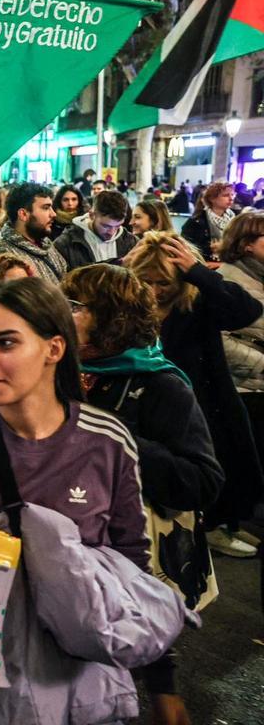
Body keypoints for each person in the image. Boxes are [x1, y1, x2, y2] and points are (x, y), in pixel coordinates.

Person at [0, 277, 152, 724]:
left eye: (5, 343)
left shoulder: (106, 441)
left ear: (54, 348)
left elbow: (133, 560)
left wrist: (159, 679)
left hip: (71, 660)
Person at [61, 264, 224, 725]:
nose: (62, 314)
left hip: (127, 567)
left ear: (110, 317)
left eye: (76, 306)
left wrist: (119, 440)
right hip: (69, 564)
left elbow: (203, 480)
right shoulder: (60, 368)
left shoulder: (160, 384)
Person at [126, 232, 264, 557]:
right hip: (152, 407)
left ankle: (216, 527)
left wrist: (199, 272)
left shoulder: (197, 300)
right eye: (147, 281)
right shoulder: (128, 303)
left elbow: (246, 311)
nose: (156, 292)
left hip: (205, 400)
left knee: (216, 469)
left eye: (164, 283)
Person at [217, 213, 264, 481]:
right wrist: (261, 365)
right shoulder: (228, 281)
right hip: (244, 388)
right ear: (247, 244)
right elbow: (218, 340)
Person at [0, 182, 67, 283]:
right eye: (45, 208)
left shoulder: (47, 246)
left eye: (51, 207)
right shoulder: (0, 255)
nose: (53, 214)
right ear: (23, 214)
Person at [52, 189, 136, 270]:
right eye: (106, 226)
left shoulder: (131, 242)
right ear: (92, 215)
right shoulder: (65, 244)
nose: (112, 232)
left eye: (118, 226)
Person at [182, 181, 236, 261]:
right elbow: (187, 247)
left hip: (229, 262)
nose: (231, 198)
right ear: (212, 199)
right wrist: (209, 248)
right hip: (205, 263)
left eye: (232, 195)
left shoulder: (235, 218)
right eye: (226, 195)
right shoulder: (196, 221)